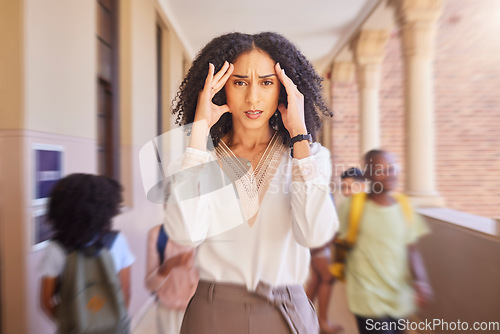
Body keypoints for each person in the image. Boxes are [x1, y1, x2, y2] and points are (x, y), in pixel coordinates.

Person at [163, 32, 338, 333]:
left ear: (284, 91)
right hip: (212, 312)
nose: (253, 98)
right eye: (240, 82)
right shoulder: (200, 159)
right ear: (221, 89)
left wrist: (299, 134)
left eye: (267, 83)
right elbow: (184, 234)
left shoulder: (310, 157)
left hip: (286, 311)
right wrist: (199, 134)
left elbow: (314, 234)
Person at [336, 150, 433, 334]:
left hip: (398, 297)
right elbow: (341, 241)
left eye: (392, 168)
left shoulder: (405, 207)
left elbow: (411, 249)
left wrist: (421, 281)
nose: (389, 174)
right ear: (367, 175)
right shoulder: (352, 206)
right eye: (381, 170)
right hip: (367, 296)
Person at [39, 173, 135, 328]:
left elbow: (46, 300)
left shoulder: (56, 248)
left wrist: (70, 323)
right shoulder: (117, 241)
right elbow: (125, 290)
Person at [145, 224, 199, 333]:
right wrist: (168, 266)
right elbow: (150, 285)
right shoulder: (158, 234)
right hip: (168, 314)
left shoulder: (208, 232)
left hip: (199, 311)